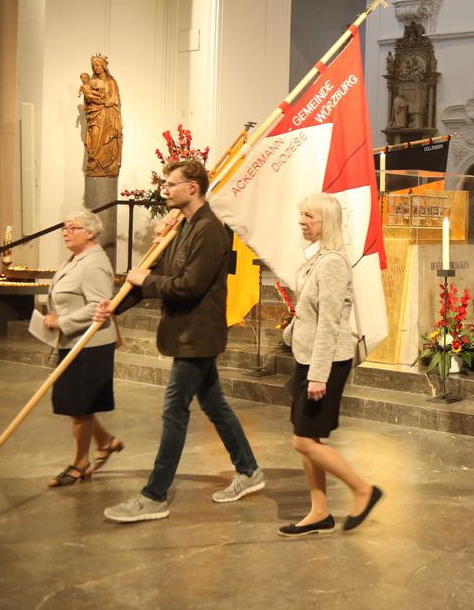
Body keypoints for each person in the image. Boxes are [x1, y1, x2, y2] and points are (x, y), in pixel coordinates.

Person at [99, 159, 264, 523]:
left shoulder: (209, 229)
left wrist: (144, 281)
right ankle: (249, 470)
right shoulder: (182, 228)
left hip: (198, 335)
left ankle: (155, 495)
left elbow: (189, 286)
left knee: (175, 411)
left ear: (193, 187)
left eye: (171, 184)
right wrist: (115, 307)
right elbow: (155, 275)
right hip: (187, 334)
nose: (165, 190)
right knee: (215, 404)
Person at [276, 193, 382, 537]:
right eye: (301, 214)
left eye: (309, 216)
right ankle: (319, 511)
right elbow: (311, 313)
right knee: (307, 436)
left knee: (303, 441)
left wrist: (318, 375)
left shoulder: (333, 262)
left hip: (325, 364)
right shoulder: (318, 258)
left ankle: (364, 491)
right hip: (309, 358)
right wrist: (293, 332)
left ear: (327, 222)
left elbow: (331, 322)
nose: (302, 221)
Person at [43, 210, 122, 488]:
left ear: (89, 233)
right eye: (64, 228)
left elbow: (99, 307)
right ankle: (105, 442)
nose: (65, 232)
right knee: (76, 403)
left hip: (91, 344)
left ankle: (80, 464)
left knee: (79, 405)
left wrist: (61, 321)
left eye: (72, 228)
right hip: (74, 341)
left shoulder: (94, 263)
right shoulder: (76, 258)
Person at [78, 54, 123, 177]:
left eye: (97, 65)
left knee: (106, 140)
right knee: (94, 138)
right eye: (93, 66)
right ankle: (94, 161)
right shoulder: (91, 82)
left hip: (108, 115)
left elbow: (115, 101)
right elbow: (87, 99)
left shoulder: (111, 82)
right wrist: (86, 105)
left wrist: (105, 101)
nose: (95, 68)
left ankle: (104, 164)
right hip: (94, 115)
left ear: (103, 66)